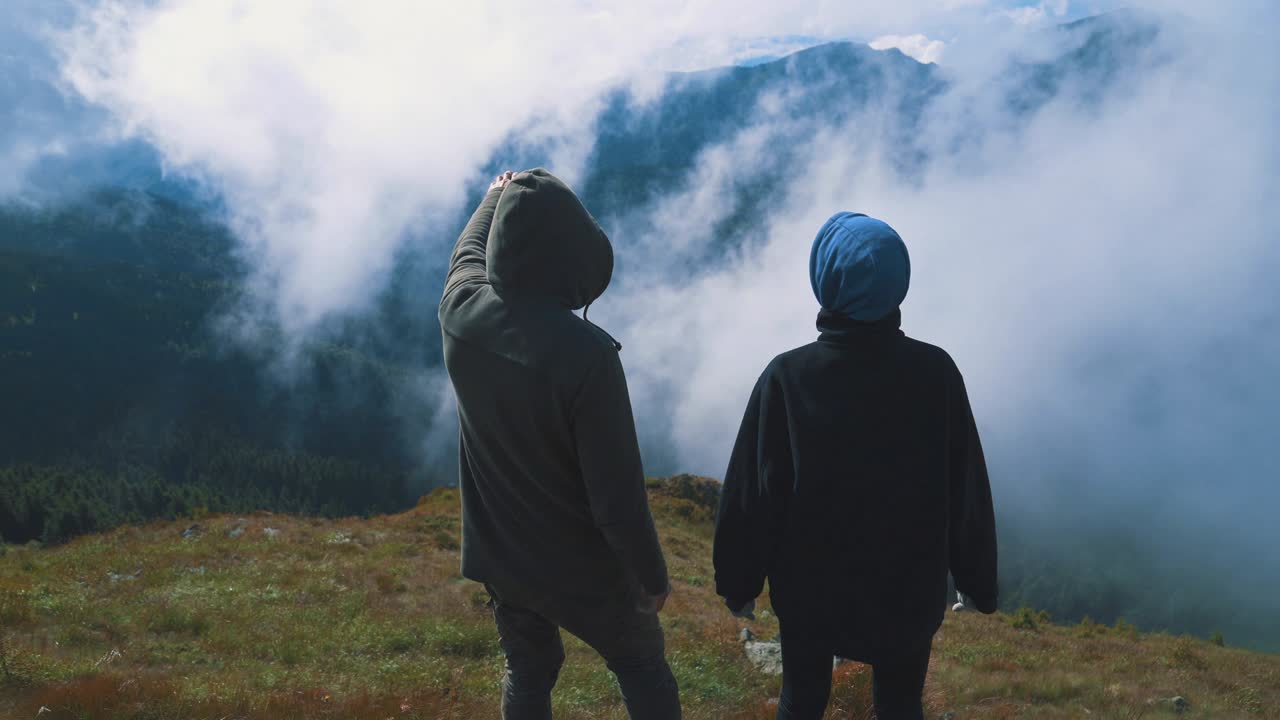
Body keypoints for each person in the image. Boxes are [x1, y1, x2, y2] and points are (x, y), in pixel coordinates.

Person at [712, 211, 999, 720]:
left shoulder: (788, 377)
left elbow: (753, 495)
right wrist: (975, 580)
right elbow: (965, 485)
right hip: (907, 592)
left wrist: (740, 583)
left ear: (825, 281)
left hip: (812, 595)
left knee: (801, 700)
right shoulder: (936, 372)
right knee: (900, 704)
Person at [439, 168, 681, 720]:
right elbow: (615, 498)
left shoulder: (460, 311)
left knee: (527, 671)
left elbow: (467, 252)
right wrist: (652, 576)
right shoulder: (588, 356)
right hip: (583, 569)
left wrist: (494, 196)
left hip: (502, 554)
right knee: (642, 667)